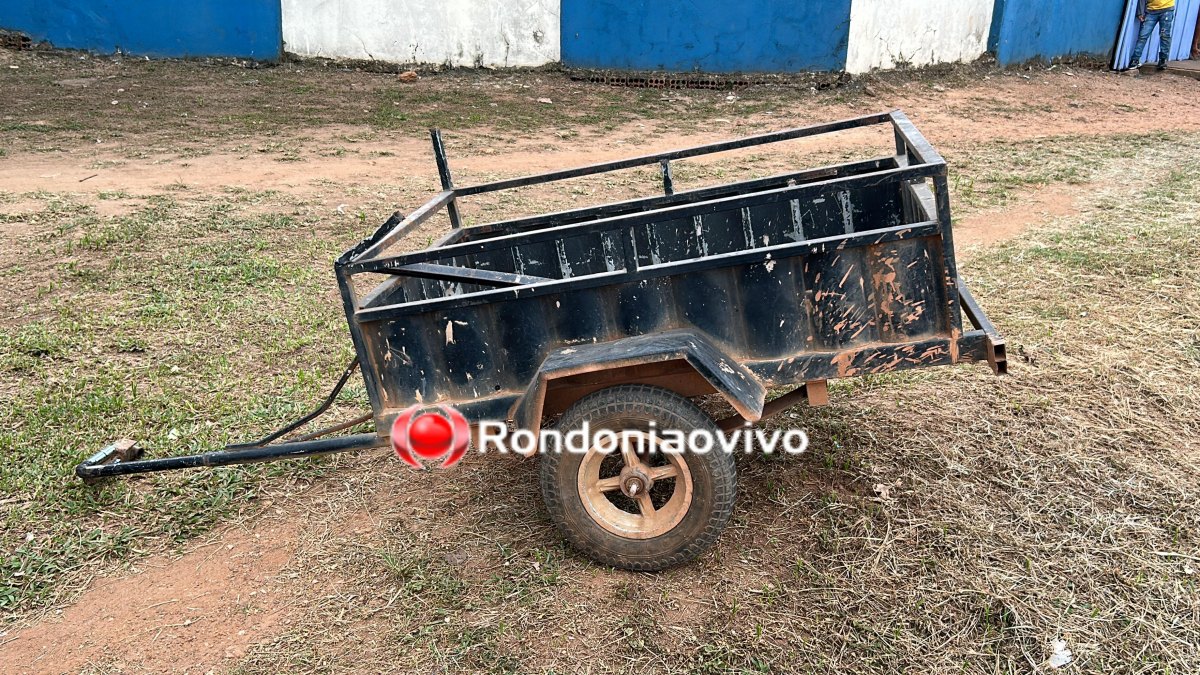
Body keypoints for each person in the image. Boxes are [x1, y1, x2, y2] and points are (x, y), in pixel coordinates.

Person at [1127, 0, 1175, 71]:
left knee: (1164, 36)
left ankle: (1163, 60)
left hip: (1167, 8)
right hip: (1150, 10)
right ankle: (1135, 60)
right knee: (1143, 35)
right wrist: (1140, 12)